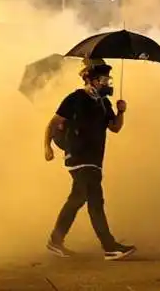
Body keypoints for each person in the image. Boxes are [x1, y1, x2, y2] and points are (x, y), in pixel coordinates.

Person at [43, 59, 136, 261]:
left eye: (108, 79)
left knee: (77, 199)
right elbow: (53, 123)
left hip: (94, 159)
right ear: (91, 81)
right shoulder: (75, 99)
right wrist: (47, 147)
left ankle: (55, 241)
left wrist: (121, 112)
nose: (107, 83)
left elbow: (115, 127)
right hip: (78, 157)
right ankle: (109, 246)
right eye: (103, 79)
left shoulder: (103, 103)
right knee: (95, 200)